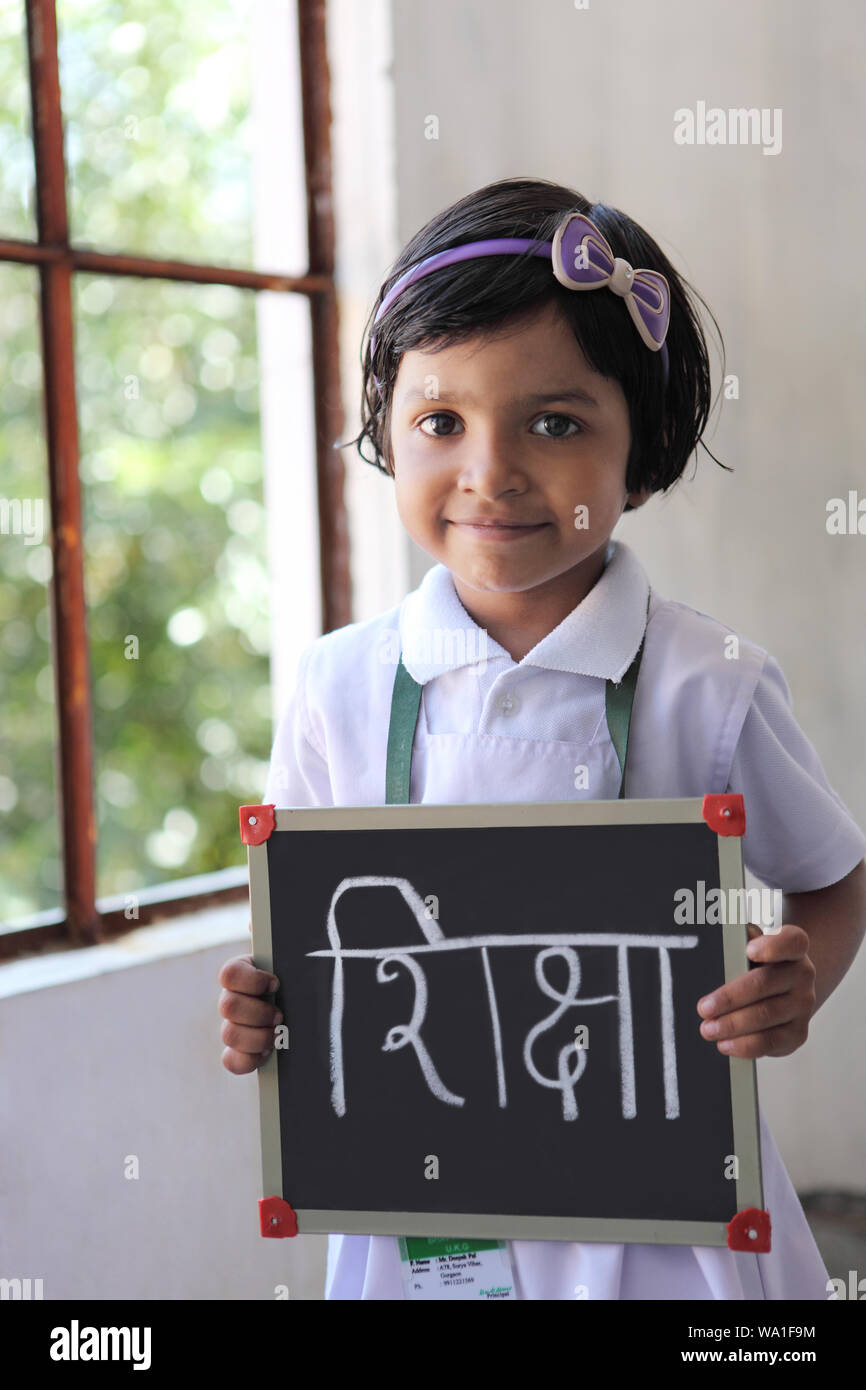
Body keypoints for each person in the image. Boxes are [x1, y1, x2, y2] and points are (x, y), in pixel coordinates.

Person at [217, 176, 866, 1300]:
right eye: (439, 422)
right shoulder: (335, 686)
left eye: (554, 422)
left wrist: (792, 992)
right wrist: (264, 1007)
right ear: (381, 431)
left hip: (668, 1221)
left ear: (643, 445)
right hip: (416, 1212)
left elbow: (835, 878)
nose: (490, 471)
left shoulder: (708, 684)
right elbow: (305, 935)